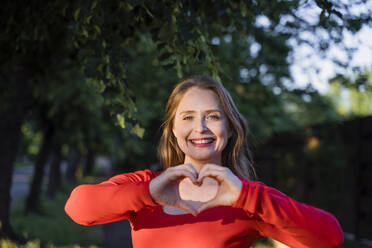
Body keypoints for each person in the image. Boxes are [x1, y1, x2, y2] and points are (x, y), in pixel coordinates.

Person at [65, 75, 344, 248]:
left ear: (230, 127)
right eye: (187, 117)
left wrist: (249, 197)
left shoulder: (248, 198)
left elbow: (329, 237)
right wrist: (148, 194)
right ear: (173, 129)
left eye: (212, 116)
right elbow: (78, 208)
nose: (201, 127)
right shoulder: (147, 186)